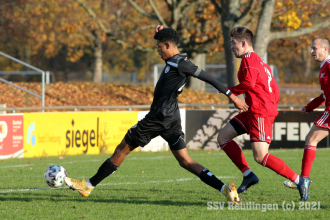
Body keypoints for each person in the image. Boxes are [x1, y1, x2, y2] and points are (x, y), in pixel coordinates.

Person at [64, 25, 249, 204]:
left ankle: (88, 186)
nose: (157, 50)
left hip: (158, 118)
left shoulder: (182, 63)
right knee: (185, 161)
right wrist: (162, 33)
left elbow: (209, 78)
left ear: (168, 45)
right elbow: (172, 54)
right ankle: (224, 189)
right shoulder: (175, 60)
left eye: (159, 47)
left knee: (122, 149)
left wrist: (233, 97)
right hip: (172, 118)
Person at [217, 26, 307, 201]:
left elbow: (249, 84)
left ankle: (299, 180)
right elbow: (274, 88)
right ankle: (248, 175)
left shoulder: (250, 59)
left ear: (244, 43)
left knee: (260, 156)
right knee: (223, 137)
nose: (231, 46)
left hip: (260, 112)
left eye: (233, 43)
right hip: (252, 110)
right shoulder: (258, 61)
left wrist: (229, 91)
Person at [283, 37, 330, 201]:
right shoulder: (323, 66)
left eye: (314, 48)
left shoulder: (329, 64)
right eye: (311, 48)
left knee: (310, 139)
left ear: (325, 49)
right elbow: (324, 95)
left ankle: (304, 180)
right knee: (311, 139)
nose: (311, 51)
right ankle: (304, 180)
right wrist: (309, 107)